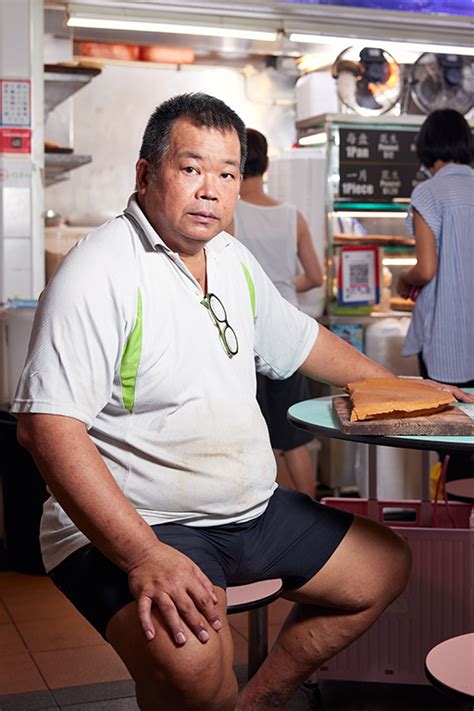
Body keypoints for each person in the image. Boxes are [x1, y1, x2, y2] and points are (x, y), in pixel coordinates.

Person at [11, 93, 470, 711]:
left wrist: (408, 390)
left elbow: (308, 342)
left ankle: (262, 699)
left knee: (381, 568)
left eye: (226, 174)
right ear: (147, 174)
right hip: (137, 518)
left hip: (245, 509)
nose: (211, 190)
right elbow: (46, 430)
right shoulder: (98, 272)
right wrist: (145, 554)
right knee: (196, 662)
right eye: (191, 168)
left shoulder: (229, 258)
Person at [229, 128, 323, 499]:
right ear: (266, 165)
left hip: (244, 336)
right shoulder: (293, 216)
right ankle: (316, 514)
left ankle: (273, 514)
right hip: (290, 334)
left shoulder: (229, 213)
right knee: (293, 437)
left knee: (257, 435)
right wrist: (281, 288)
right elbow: (315, 277)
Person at [397, 108, 474, 480]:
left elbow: (425, 269)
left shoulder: (428, 193)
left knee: (452, 440)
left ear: (427, 147)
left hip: (446, 342)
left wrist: (401, 278)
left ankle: (454, 529)